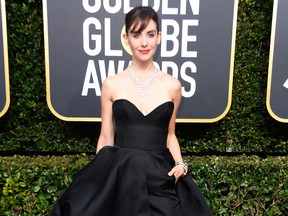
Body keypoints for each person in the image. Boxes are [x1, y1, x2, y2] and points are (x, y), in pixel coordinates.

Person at [50, 6, 211, 216]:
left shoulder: (173, 86)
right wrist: (103, 181)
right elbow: (106, 137)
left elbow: (170, 134)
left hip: (161, 174)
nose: (144, 43)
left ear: (159, 37)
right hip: (123, 173)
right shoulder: (111, 84)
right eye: (136, 35)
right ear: (126, 39)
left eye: (150, 34)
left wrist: (181, 164)